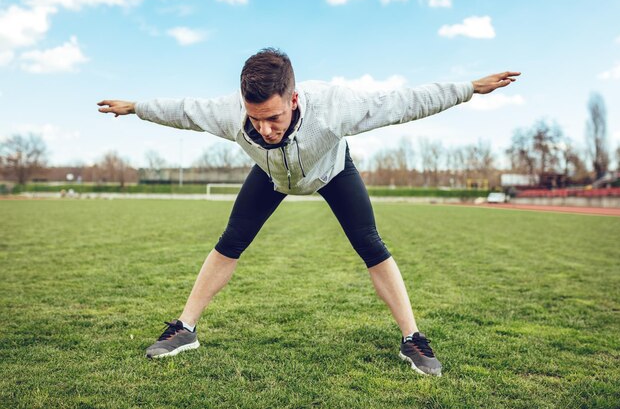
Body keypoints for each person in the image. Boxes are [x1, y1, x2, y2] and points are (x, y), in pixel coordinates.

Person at [98, 48, 520, 376]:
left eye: (274, 117)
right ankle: (184, 329)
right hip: (271, 176)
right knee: (230, 243)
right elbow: (184, 111)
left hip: (331, 170)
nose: (265, 128)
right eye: (255, 118)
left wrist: (467, 88)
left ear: (294, 97)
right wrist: (136, 107)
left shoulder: (335, 106)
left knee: (371, 246)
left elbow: (404, 102)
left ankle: (413, 338)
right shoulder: (229, 114)